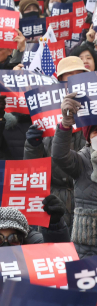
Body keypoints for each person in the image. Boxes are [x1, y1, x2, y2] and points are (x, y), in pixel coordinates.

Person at [52, 88, 97, 257]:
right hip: (86, 246)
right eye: (95, 132)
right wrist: (65, 123)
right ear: (88, 137)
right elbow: (59, 155)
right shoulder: (83, 159)